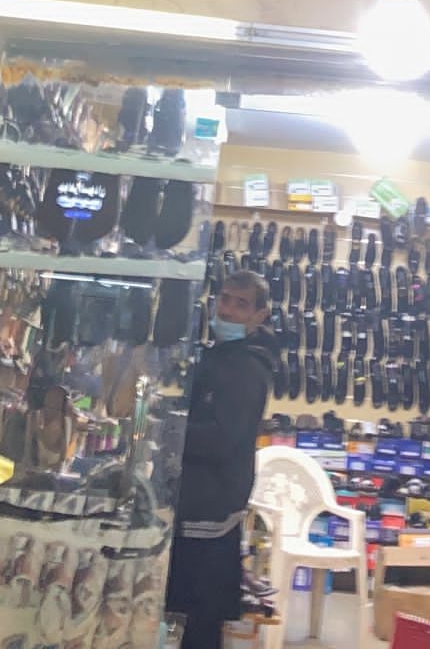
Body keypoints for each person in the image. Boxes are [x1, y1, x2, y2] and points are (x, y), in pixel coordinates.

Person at [166, 270, 275, 649]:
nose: (227, 310)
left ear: (259, 315)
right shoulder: (221, 356)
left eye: (241, 304)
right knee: (190, 619)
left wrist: (170, 426)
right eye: (224, 299)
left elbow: (221, 440)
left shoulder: (247, 368)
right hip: (202, 505)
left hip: (209, 512)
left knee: (197, 621)